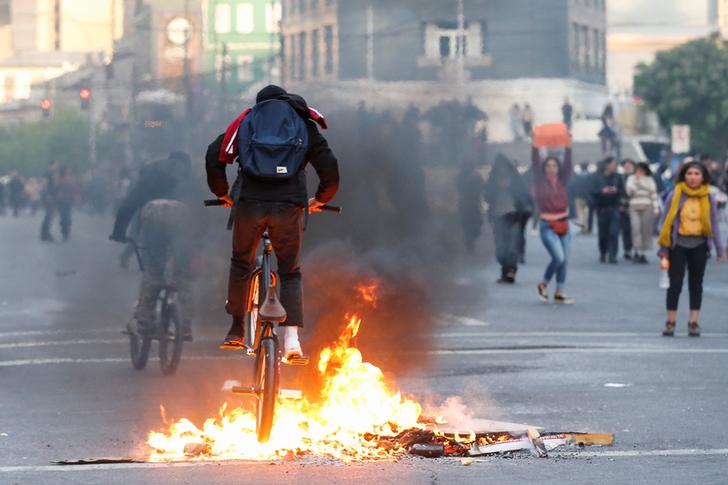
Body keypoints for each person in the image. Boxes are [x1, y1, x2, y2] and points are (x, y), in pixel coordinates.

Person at [205, 85, 339, 360]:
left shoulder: (246, 120)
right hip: (288, 205)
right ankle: (292, 341)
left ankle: (236, 330)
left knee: (241, 262)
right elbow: (329, 166)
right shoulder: (303, 123)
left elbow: (214, 155)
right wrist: (321, 198)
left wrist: (222, 193)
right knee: (290, 271)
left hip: (250, 203)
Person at [110, 152, 198, 341]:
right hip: (181, 215)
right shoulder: (190, 176)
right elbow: (201, 209)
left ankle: (144, 322)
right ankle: (185, 326)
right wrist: (196, 239)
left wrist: (118, 232)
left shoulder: (151, 172)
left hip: (153, 212)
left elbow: (129, 204)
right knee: (182, 275)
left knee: (153, 272)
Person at [658, 162, 725, 337]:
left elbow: (714, 225)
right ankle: (670, 322)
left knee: (696, 285)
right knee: (675, 284)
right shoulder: (675, 195)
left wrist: (720, 249)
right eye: (689, 173)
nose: (693, 177)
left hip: (699, 245)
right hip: (678, 244)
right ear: (683, 176)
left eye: (697, 174)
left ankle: (693, 322)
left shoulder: (708, 197)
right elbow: (665, 222)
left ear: (703, 177)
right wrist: (664, 248)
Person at [532, 142, 575, 304]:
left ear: (558, 168)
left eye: (554, 165)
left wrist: (568, 146)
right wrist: (535, 145)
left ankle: (559, 291)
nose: (551, 168)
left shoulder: (562, 181)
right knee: (559, 257)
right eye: (548, 165)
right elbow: (535, 162)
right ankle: (543, 284)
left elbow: (568, 164)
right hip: (547, 225)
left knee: (565, 259)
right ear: (544, 168)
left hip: (564, 223)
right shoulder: (540, 182)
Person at [484, 154, 533, 283]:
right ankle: (505, 272)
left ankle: (511, 270)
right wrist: (495, 188)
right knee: (500, 248)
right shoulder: (492, 180)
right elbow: (487, 197)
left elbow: (524, 195)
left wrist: (510, 188)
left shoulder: (516, 180)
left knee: (512, 245)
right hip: (498, 216)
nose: (502, 171)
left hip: (514, 215)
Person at [592, 157, 624, 264]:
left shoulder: (618, 177)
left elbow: (623, 191)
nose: (615, 167)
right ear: (607, 165)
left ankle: (613, 255)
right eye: (613, 165)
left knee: (614, 233)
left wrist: (616, 190)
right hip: (602, 209)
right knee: (603, 234)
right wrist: (602, 191)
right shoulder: (597, 177)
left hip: (614, 208)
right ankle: (603, 252)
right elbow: (592, 191)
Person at [626, 162, 660, 264]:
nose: (640, 172)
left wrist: (656, 209)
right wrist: (637, 183)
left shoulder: (650, 180)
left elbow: (653, 194)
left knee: (645, 230)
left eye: (642, 170)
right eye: (638, 170)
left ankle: (642, 252)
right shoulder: (631, 179)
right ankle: (636, 249)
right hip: (634, 206)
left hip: (647, 206)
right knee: (635, 228)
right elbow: (630, 191)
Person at [456, 161, 485, 253]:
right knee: (467, 225)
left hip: (474, 203)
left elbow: (482, 186)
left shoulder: (476, 176)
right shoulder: (460, 176)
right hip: (465, 204)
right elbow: (459, 187)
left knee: (477, 224)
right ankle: (469, 243)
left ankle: (470, 240)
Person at [40, 160, 60, 242]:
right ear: (51, 165)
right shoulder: (47, 173)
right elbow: (44, 184)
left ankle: (44, 234)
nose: (56, 166)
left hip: (53, 196)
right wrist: (47, 194)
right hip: (49, 197)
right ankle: (45, 233)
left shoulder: (53, 174)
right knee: (49, 215)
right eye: (55, 165)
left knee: (50, 215)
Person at [56, 166, 77, 242]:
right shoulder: (59, 179)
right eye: (67, 171)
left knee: (68, 217)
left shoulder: (72, 179)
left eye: (69, 171)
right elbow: (56, 188)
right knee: (63, 217)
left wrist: (75, 197)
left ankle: (66, 232)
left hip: (68, 200)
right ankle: (64, 231)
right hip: (61, 201)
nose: (68, 172)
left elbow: (75, 188)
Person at [620, 159, 636, 260]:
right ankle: (627, 249)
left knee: (636, 229)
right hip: (624, 206)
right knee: (626, 229)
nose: (628, 167)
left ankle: (637, 249)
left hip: (636, 205)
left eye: (629, 165)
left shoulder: (637, 177)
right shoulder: (621, 177)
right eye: (626, 165)